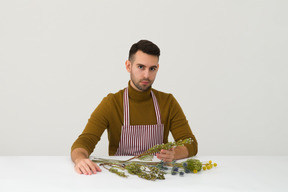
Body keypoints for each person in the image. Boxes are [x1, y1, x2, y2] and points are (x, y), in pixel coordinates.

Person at [71, 40, 198, 175]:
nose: (146, 75)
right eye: (141, 67)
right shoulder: (112, 103)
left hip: (157, 176)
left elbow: (191, 143)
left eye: (152, 68)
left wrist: (174, 154)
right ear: (128, 66)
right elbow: (85, 141)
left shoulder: (168, 102)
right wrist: (80, 159)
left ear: (157, 68)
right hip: (122, 175)